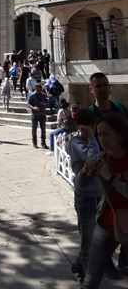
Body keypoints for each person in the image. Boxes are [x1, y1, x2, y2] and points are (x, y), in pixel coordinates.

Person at [82, 114, 128, 288]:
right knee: (90, 279)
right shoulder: (102, 158)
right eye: (99, 135)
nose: (102, 139)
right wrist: (85, 171)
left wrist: (111, 177)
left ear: (120, 135)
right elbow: (81, 185)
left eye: (107, 134)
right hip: (107, 223)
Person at [67, 108, 101, 283]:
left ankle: (79, 265)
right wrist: (91, 137)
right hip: (85, 197)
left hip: (100, 196)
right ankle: (88, 281)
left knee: (96, 240)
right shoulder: (76, 142)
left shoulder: (98, 139)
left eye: (90, 126)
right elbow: (93, 157)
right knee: (88, 242)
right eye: (84, 126)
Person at [28, 82, 49, 149]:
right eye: (38, 89)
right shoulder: (32, 95)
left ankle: (43, 143)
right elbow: (28, 104)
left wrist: (44, 104)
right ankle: (34, 143)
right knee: (34, 129)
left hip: (42, 114)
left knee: (43, 129)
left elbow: (47, 102)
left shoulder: (43, 95)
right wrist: (33, 108)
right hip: (35, 114)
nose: (39, 90)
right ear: (35, 88)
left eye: (40, 88)